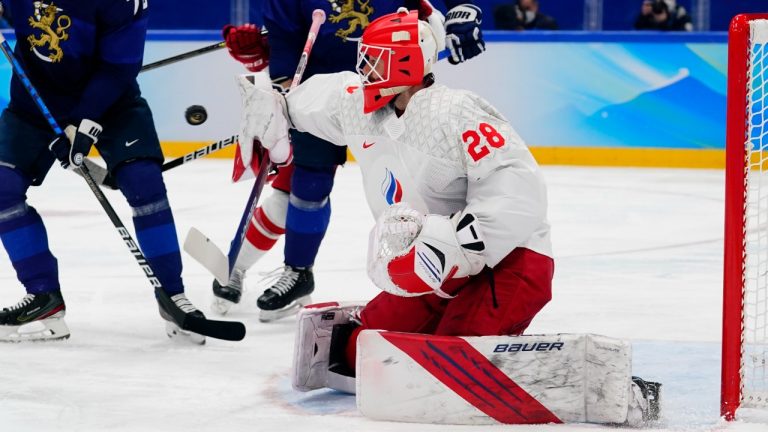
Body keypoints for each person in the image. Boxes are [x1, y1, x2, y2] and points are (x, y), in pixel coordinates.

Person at [241, 10, 661, 424]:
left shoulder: (456, 113)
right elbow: (318, 99)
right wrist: (275, 107)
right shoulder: (360, 107)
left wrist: (451, 247)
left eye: (375, 59)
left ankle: (607, 389)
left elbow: (518, 192)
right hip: (431, 268)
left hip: (510, 260)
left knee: (450, 365)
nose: (364, 68)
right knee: (359, 349)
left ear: (405, 64)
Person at [215, 0, 487, 321]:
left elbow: (436, 17)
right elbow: (286, 51)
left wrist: (462, 10)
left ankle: (440, 268)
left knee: (418, 185)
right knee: (306, 184)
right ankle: (289, 270)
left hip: (399, 86)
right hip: (325, 97)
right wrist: (271, 71)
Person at [0, 0, 208, 343]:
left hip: (111, 103)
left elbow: (118, 67)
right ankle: (43, 298)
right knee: (3, 187)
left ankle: (173, 294)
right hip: (34, 103)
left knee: (143, 181)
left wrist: (84, 125)